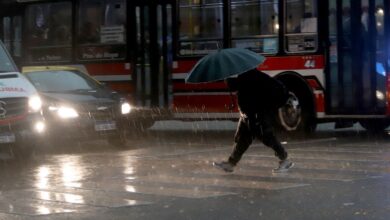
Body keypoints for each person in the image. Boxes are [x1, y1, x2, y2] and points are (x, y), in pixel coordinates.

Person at [213, 69, 294, 173]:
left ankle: (284, 159)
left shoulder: (250, 75)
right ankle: (231, 163)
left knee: (267, 138)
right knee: (243, 141)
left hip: (256, 116)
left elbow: (234, 85)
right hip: (249, 115)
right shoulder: (253, 74)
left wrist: (226, 77)